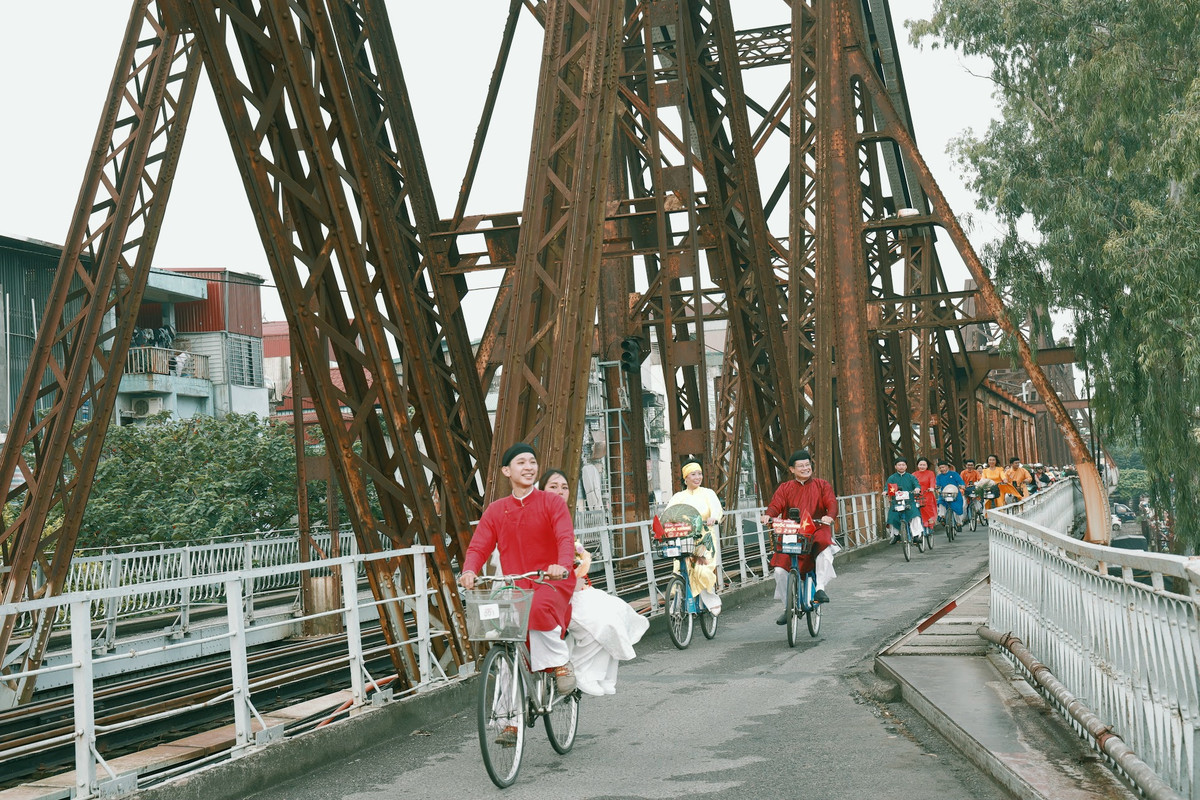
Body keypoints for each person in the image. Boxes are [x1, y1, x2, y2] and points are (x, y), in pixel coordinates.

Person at [458, 444, 576, 698]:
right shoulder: (496, 510)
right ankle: (509, 721)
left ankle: (560, 662)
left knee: (536, 607)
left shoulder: (552, 503)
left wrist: (562, 566)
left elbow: (565, 538)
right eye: (521, 462)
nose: (529, 467)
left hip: (551, 580)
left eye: (532, 462)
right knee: (502, 637)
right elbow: (479, 546)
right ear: (506, 471)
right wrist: (469, 570)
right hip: (516, 583)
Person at [541, 469, 649, 697]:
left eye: (564, 487)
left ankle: (603, 676)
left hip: (570, 588)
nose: (560, 492)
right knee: (602, 623)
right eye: (553, 487)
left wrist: (574, 573)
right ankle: (580, 670)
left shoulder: (562, 519)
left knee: (617, 610)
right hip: (554, 592)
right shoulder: (540, 520)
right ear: (541, 491)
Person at [760, 449, 837, 624]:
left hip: (817, 527)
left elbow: (831, 502)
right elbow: (775, 505)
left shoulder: (822, 485)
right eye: (800, 466)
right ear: (792, 470)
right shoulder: (785, 488)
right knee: (780, 570)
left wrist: (829, 516)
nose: (805, 468)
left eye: (807, 465)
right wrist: (768, 515)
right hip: (793, 531)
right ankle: (788, 608)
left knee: (824, 547)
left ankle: (819, 588)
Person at [664, 458, 723, 614]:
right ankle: (677, 603)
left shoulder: (708, 493)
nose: (698, 477)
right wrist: (663, 525)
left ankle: (710, 597)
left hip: (704, 537)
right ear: (685, 478)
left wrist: (713, 518)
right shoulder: (678, 497)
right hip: (684, 538)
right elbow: (668, 513)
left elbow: (717, 510)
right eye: (693, 474)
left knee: (702, 569)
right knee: (680, 570)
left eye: (700, 474)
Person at [885, 457, 923, 544]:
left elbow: (916, 484)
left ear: (906, 466)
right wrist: (885, 491)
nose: (901, 467)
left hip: (910, 501)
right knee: (892, 517)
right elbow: (887, 487)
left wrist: (917, 488)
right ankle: (896, 535)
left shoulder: (911, 477)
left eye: (903, 465)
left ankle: (916, 536)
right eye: (899, 465)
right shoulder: (892, 478)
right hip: (897, 502)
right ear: (895, 466)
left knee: (915, 516)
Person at [935, 462, 966, 529]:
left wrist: (962, 485)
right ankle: (942, 517)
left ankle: (958, 523)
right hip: (944, 494)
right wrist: (937, 487)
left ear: (947, 467)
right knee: (941, 502)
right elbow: (937, 484)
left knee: (957, 507)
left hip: (955, 493)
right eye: (940, 468)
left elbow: (960, 481)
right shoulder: (939, 477)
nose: (942, 469)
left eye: (943, 467)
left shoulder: (954, 474)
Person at [912, 457, 938, 532]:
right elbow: (911, 483)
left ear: (927, 466)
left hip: (927, 493)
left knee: (928, 507)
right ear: (917, 465)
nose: (922, 466)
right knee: (918, 508)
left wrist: (932, 487)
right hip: (917, 494)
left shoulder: (930, 473)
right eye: (920, 465)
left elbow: (932, 481)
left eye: (924, 465)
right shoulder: (914, 474)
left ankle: (929, 523)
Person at [959, 459, 982, 525]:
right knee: (964, 505)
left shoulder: (976, 472)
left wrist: (978, 484)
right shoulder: (963, 472)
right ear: (966, 465)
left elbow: (980, 479)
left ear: (974, 466)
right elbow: (960, 481)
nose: (970, 466)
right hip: (965, 490)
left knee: (976, 501)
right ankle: (964, 518)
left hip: (974, 489)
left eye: (971, 465)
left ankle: (979, 511)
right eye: (968, 465)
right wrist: (962, 486)